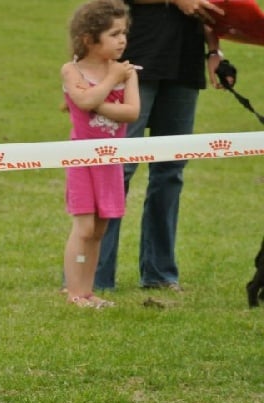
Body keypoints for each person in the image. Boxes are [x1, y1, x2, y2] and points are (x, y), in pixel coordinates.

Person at [94, 0, 229, 292]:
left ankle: (160, 274)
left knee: (170, 171)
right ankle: (96, 277)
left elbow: (207, 6)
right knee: (119, 168)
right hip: (135, 60)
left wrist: (214, 50)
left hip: (185, 64)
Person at [61, 0, 140, 308]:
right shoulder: (72, 70)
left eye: (124, 33)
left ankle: (88, 291)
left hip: (111, 161)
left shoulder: (128, 73)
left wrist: (95, 101)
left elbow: (131, 112)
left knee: (100, 229)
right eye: (114, 34)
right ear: (89, 38)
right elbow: (83, 102)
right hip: (82, 160)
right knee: (84, 228)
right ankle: (74, 292)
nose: (123, 40)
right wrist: (108, 83)